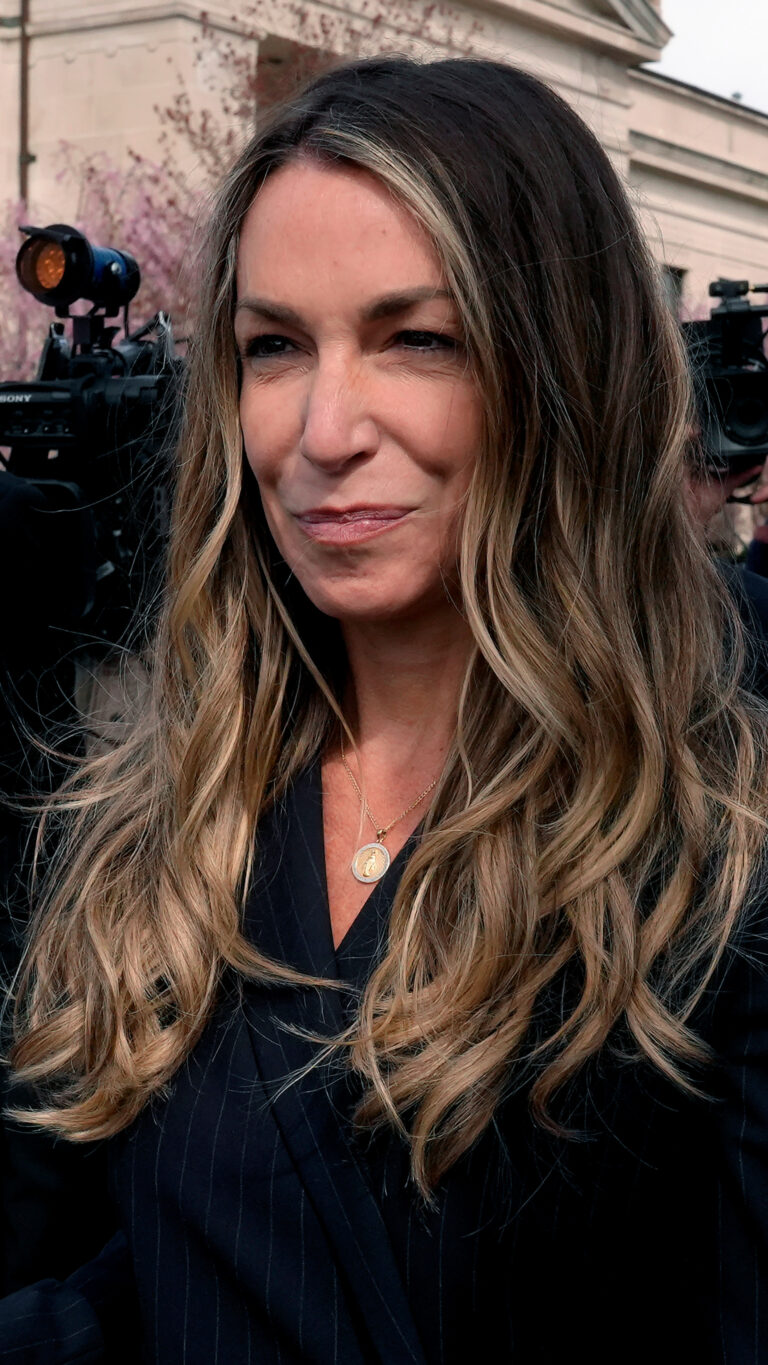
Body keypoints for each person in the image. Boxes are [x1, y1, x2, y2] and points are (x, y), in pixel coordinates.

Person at [2, 55, 768, 1364]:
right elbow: (178, 1253)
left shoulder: (721, 857)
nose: (324, 430)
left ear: (566, 372)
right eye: (274, 347)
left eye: (418, 339)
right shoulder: (159, 817)